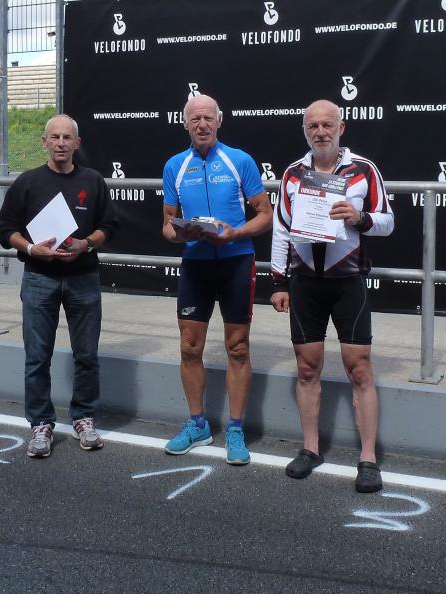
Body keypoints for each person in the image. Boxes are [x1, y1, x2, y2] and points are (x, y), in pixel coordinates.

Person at [270, 99, 394, 492]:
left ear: (341, 128)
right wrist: (278, 282)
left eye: (327, 125)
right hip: (305, 284)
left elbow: (388, 223)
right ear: (305, 131)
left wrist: (360, 218)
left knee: (360, 369)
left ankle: (368, 459)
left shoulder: (364, 170)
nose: (320, 132)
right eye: (313, 126)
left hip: (348, 282)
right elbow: (281, 229)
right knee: (307, 368)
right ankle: (310, 449)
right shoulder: (293, 173)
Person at [0, 114, 119, 458]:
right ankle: (40, 424)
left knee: (87, 355)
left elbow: (109, 225)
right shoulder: (27, 182)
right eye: (55, 137)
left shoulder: (93, 181)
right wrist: (31, 248)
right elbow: (5, 229)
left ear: (77, 143)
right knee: (37, 357)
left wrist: (86, 244)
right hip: (39, 278)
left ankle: (84, 418)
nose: (61, 143)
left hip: (83, 278)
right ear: (44, 142)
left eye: (67, 137)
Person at [161, 94, 273, 465]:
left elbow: (265, 215)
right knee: (189, 347)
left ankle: (236, 428)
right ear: (185, 124)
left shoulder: (239, 160)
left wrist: (235, 233)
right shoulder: (175, 165)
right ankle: (197, 424)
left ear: (219, 121)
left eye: (208, 118)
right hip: (196, 263)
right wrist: (182, 234)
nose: (202, 124)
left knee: (237, 348)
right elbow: (167, 225)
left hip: (236, 261)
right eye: (195, 119)